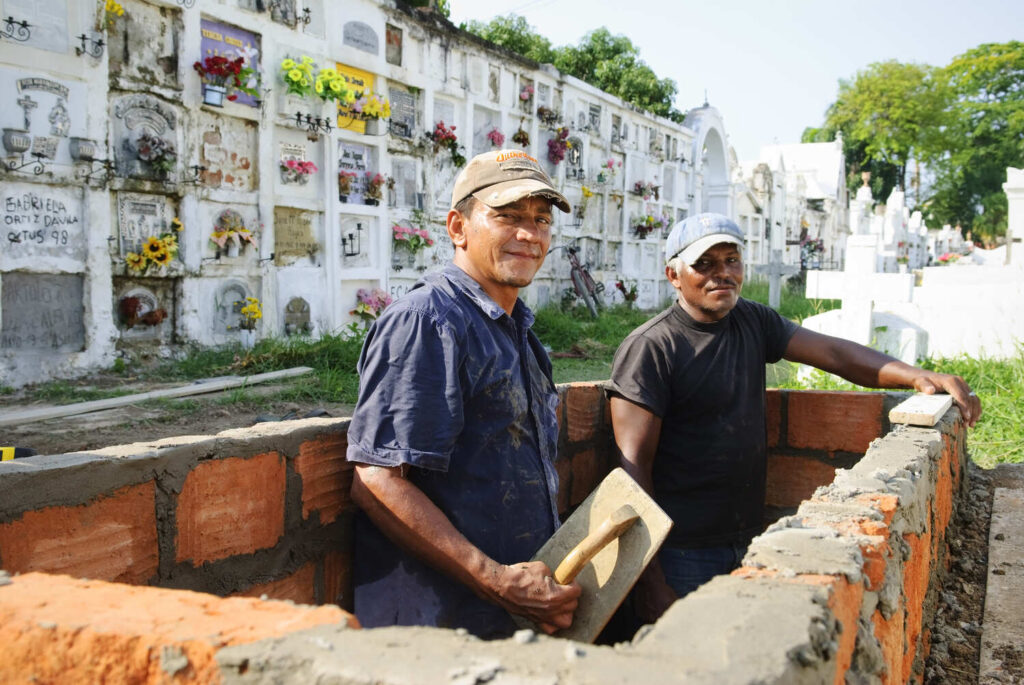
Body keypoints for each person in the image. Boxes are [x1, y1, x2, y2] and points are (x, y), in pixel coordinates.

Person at [607, 212, 982, 624]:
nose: (722, 274)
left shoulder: (752, 321)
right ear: (674, 275)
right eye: (705, 265)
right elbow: (631, 470)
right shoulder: (652, 348)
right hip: (682, 550)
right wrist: (650, 580)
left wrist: (916, 375)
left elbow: (836, 355)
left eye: (731, 261)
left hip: (748, 539)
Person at [346, 149, 582, 638]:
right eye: (508, 217)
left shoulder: (515, 327)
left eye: (541, 220)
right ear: (458, 227)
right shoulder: (429, 320)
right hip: (434, 624)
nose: (529, 234)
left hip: (500, 616)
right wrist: (496, 580)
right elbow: (377, 481)